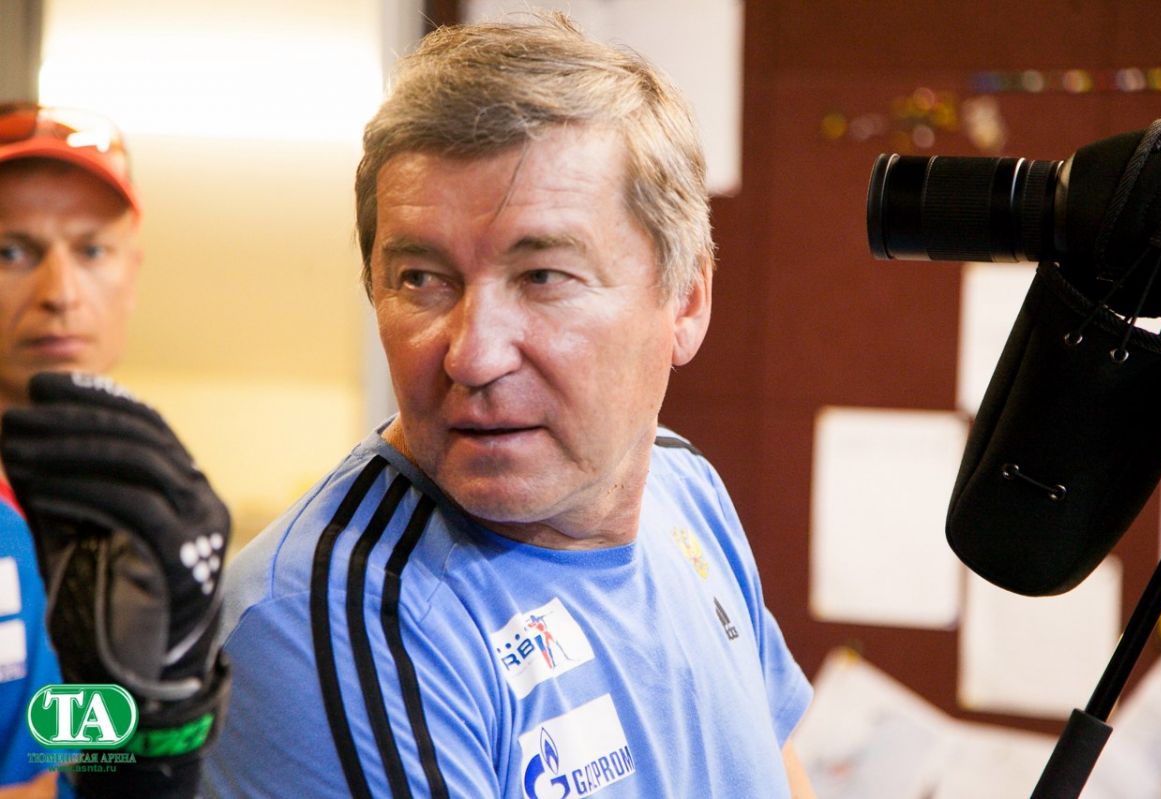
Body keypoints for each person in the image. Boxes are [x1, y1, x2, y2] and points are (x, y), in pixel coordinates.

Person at [205, 13, 816, 798]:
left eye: (542, 277)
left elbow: (779, 769)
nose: (472, 355)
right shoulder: (330, 622)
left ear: (686, 300)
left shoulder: (684, 486)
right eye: (422, 279)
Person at [0, 103, 229, 799]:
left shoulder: (137, 506)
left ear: (132, 272)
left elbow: (75, 764)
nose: (60, 294)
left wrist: (157, 734)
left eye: (91, 251)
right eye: (11, 251)